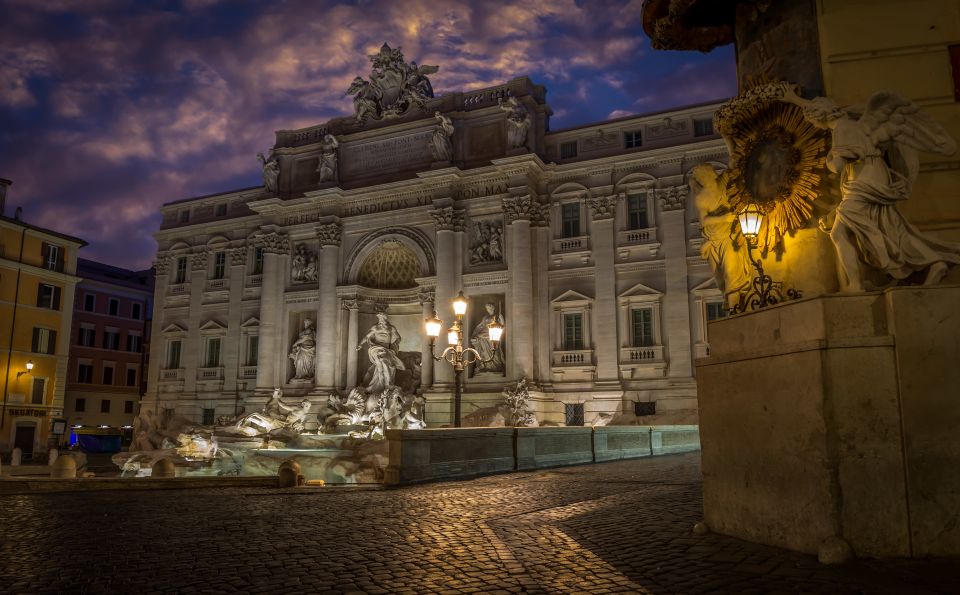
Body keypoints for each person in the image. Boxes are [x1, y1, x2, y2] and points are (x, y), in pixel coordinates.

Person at [782, 88, 960, 291]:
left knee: (839, 233)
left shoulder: (841, 130)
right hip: (872, 175)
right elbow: (817, 107)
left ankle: (855, 284)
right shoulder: (852, 124)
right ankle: (935, 262)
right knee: (893, 230)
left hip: (864, 181)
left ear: (819, 117)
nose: (813, 125)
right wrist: (793, 99)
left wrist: (828, 158)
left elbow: (838, 166)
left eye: (812, 121)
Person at [690, 164, 753, 308]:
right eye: (700, 178)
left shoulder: (724, 182)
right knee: (720, 278)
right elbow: (703, 221)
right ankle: (732, 305)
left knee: (731, 273)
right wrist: (724, 218)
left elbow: (736, 165)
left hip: (729, 235)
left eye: (703, 175)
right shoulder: (701, 197)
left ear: (710, 173)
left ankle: (735, 308)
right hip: (715, 237)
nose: (703, 179)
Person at [357, 311, 405, 394]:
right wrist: (360, 344)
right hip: (376, 348)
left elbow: (398, 338)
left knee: (384, 363)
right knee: (382, 362)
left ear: (385, 318)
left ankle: (380, 384)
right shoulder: (375, 328)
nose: (381, 320)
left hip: (387, 349)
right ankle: (387, 384)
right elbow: (367, 337)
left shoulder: (391, 328)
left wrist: (394, 344)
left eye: (383, 318)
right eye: (380, 318)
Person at [470, 303, 505, 373]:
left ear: (493, 308)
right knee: (478, 338)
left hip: (494, 334)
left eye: (489, 308)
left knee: (492, 345)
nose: (488, 310)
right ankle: (483, 363)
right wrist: (474, 334)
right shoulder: (485, 317)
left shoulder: (497, 316)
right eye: (487, 308)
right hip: (484, 333)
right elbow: (481, 326)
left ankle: (495, 366)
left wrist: (502, 320)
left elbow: (502, 326)